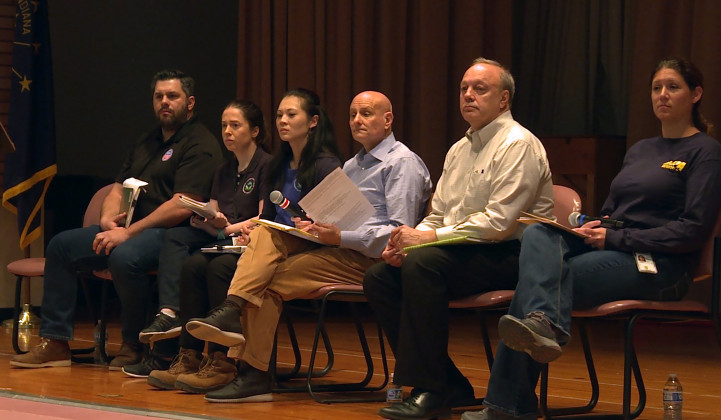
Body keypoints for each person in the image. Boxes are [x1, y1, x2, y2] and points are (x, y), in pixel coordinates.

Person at [460, 58, 721, 420]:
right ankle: (542, 329)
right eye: (656, 87)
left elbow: (692, 230)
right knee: (540, 231)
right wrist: (592, 225)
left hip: (662, 266)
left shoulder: (705, 153)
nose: (662, 95)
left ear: (695, 94)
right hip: (615, 247)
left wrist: (616, 239)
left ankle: (510, 402)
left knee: (543, 283)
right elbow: (613, 213)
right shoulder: (641, 150)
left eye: (673, 87)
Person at [186, 90, 433, 403]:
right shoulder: (353, 165)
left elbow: (400, 236)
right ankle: (233, 312)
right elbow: (341, 217)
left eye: (367, 113)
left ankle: (252, 372)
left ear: (388, 120)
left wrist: (339, 236)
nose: (357, 120)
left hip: (374, 262)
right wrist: (317, 226)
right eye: (353, 114)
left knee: (265, 282)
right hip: (338, 247)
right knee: (265, 231)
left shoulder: (402, 163)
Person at [364, 58, 555, 420]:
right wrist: (409, 239)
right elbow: (439, 214)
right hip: (462, 251)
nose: (468, 94)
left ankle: (430, 391)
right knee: (380, 278)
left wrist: (427, 239)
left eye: (479, 89)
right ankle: (449, 384)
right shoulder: (458, 149)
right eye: (464, 88)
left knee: (423, 265)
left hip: (514, 255)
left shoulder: (518, 144)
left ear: (503, 100)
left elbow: (499, 223)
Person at [10, 69, 223, 369]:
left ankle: (133, 344)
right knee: (61, 245)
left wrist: (127, 233)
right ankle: (56, 343)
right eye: (159, 96)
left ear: (189, 102)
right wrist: (109, 219)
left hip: (170, 233)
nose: (164, 102)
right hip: (129, 227)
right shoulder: (146, 141)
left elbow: (182, 205)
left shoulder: (201, 144)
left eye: (172, 96)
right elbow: (117, 186)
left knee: (124, 257)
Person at [141, 100, 273, 391]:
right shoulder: (224, 170)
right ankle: (188, 355)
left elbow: (265, 217)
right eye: (224, 125)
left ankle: (221, 360)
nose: (227, 131)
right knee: (192, 266)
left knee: (217, 268)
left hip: (252, 245)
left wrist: (227, 227)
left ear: (254, 131)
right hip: (225, 240)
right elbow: (213, 211)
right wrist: (205, 220)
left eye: (235, 125)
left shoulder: (267, 165)